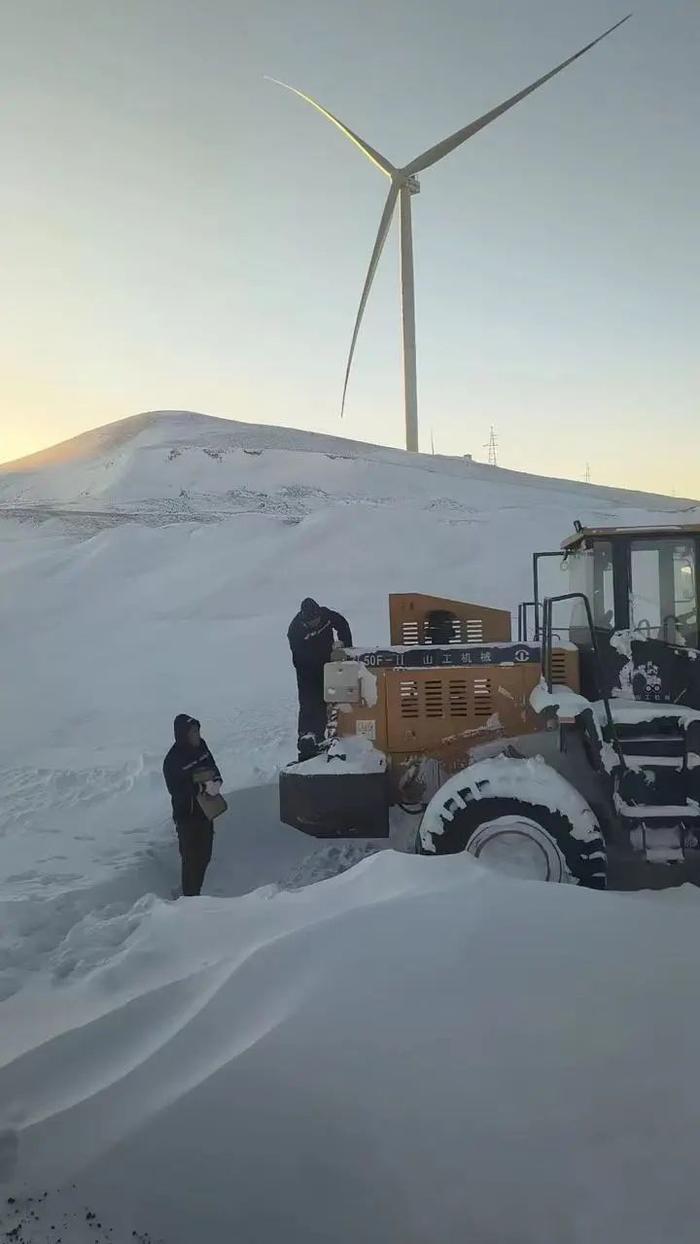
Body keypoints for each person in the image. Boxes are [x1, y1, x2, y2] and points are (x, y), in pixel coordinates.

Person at [163, 714, 223, 897]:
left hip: (205, 811)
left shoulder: (202, 746)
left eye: (198, 731)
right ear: (183, 735)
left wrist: (217, 781)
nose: (197, 735)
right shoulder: (172, 760)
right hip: (186, 816)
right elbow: (175, 790)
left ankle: (193, 892)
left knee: (204, 856)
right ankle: (189, 898)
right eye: (193, 732)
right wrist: (200, 786)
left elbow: (212, 766)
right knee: (191, 860)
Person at [287, 598, 352, 757]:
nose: (316, 623)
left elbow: (342, 623)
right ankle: (306, 738)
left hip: (328, 664)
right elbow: (301, 658)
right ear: (304, 619)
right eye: (312, 622)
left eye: (317, 620)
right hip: (306, 670)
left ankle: (327, 736)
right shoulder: (295, 631)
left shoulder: (326, 615)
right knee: (310, 702)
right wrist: (320, 665)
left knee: (332, 700)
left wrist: (344, 644)